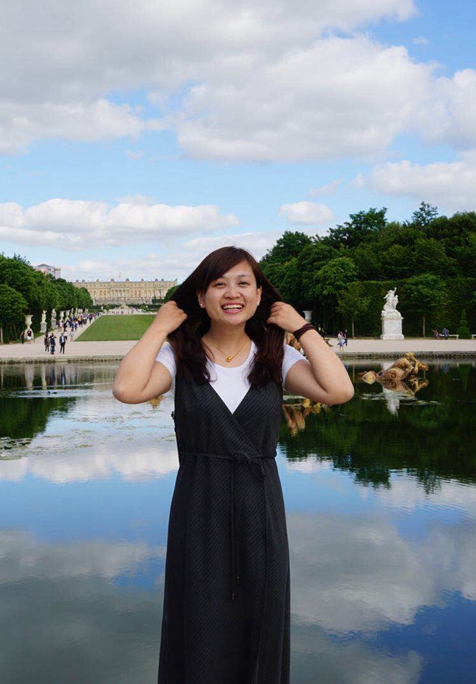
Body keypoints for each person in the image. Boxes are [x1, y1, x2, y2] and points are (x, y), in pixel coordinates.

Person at [112, 246, 354, 683]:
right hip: (198, 508)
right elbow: (128, 390)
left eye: (244, 283)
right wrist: (160, 326)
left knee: (261, 622)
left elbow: (339, 391)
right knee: (198, 623)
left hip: (260, 509)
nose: (232, 293)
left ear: (260, 295)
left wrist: (301, 327)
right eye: (219, 284)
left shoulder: (275, 356)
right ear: (200, 297)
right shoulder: (181, 355)